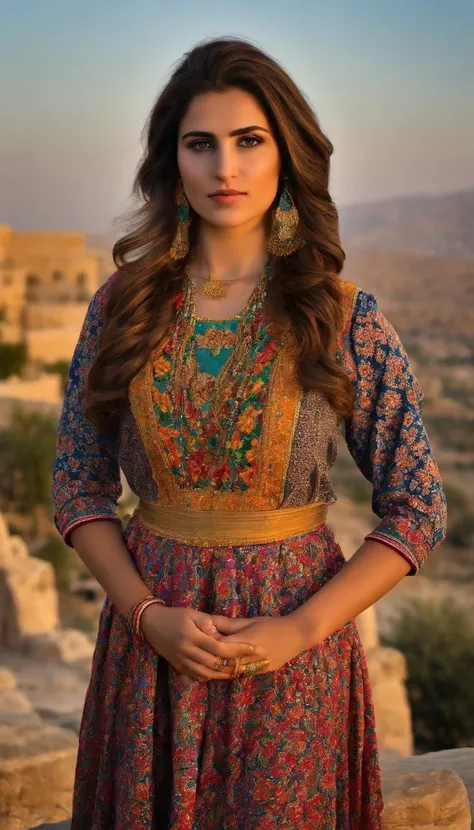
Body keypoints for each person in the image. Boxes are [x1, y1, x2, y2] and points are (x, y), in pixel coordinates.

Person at [52, 36, 447, 830]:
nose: (224, 168)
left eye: (249, 141)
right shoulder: (120, 308)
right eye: (200, 144)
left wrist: (301, 628)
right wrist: (146, 616)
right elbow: (76, 484)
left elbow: (417, 506)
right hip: (149, 656)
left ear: (284, 154)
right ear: (174, 162)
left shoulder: (340, 318)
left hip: (293, 664)